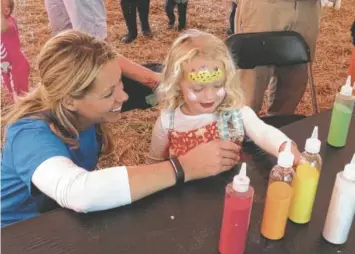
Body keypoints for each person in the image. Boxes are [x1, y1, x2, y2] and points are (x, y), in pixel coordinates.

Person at [0, 30, 241, 228]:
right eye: (109, 93)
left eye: (120, 83)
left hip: (62, 221)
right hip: (17, 236)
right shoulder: (29, 135)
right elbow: (77, 192)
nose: (123, 96)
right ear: (70, 100)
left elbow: (168, 88)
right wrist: (185, 166)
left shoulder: (86, 106)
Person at [146, 30, 301, 163]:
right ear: (177, 84)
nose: (209, 96)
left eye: (218, 86)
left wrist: (284, 147)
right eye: (198, 89)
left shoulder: (236, 112)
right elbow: (155, 163)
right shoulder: (168, 122)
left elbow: (263, 132)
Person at [234, 0, 321, 114]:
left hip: (308, 8)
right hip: (265, 7)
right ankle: (241, 130)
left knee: (291, 91)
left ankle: (277, 129)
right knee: (249, 92)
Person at [0, 0, 30, 102]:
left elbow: (3, 26)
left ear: (6, 10)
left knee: (21, 98)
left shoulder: (9, 24)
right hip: (6, 67)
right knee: (13, 95)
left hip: (16, 68)